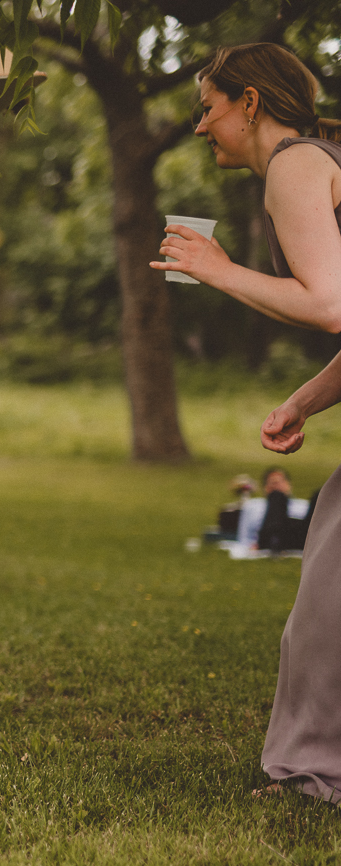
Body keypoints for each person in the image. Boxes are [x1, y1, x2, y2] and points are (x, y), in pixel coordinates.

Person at [153, 43, 341, 802]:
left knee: (325, 609)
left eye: (208, 107)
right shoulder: (320, 158)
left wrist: (217, 268)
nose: (201, 127)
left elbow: (331, 303)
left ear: (251, 103)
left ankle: (311, 774)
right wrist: (304, 400)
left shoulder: (296, 165)